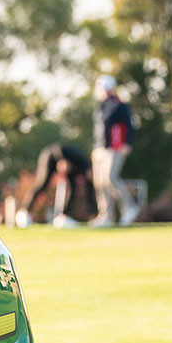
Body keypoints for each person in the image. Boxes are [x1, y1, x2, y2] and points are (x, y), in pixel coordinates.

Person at [90, 74, 137, 226]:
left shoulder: (118, 105)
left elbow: (130, 125)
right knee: (99, 183)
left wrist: (126, 143)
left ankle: (130, 206)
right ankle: (106, 216)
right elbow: (99, 130)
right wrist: (97, 147)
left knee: (110, 179)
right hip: (100, 149)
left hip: (114, 149)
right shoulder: (100, 106)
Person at [15, 143, 93, 228]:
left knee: (72, 188)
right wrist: (62, 159)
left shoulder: (83, 172)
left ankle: (64, 216)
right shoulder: (82, 160)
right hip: (50, 156)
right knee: (42, 184)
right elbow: (58, 148)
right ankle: (24, 211)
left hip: (68, 167)